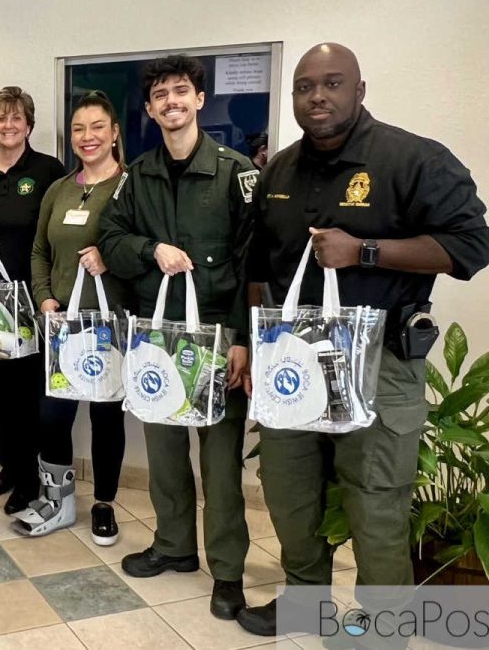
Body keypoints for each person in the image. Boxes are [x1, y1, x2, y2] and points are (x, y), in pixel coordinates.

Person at [236, 43, 489, 637]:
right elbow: (257, 265)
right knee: (290, 489)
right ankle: (305, 603)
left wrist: (365, 251)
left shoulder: (413, 159)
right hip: (294, 360)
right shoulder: (278, 170)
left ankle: (387, 622)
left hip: (381, 361)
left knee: (375, 498)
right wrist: (260, 344)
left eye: (332, 84)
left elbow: (473, 247)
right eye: (304, 87)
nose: (317, 97)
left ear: (360, 89)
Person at [98, 55, 254, 621]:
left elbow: (251, 263)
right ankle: (173, 546)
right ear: (149, 109)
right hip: (160, 342)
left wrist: (241, 338)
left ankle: (229, 572)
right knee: (165, 454)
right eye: (160, 94)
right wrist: (150, 250)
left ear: (199, 100)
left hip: (219, 339)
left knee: (219, 466)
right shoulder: (136, 176)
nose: (171, 102)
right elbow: (111, 240)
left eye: (180, 91)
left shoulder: (236, 172)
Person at [15, 90, 133, 544]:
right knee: (52, 417)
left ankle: (104, 505)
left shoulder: (129, 187)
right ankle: (58, 499)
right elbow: (40, 250)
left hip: (107, 328)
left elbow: (139, 251)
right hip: (60, 328)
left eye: (97, 127)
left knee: (106, 420)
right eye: (79, 129)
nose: (88, 137)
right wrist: (44, 299)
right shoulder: (60, 189)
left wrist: (111, 258)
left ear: (114, 132)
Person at [0, 86, 66, 515]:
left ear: (29, 124)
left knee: (28, 393)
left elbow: (54, 235)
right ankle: (9, 466)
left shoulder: (48, 172)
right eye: (1, 118)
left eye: (16, 117)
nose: (8, 125)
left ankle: (29, 479)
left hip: (32, 300)